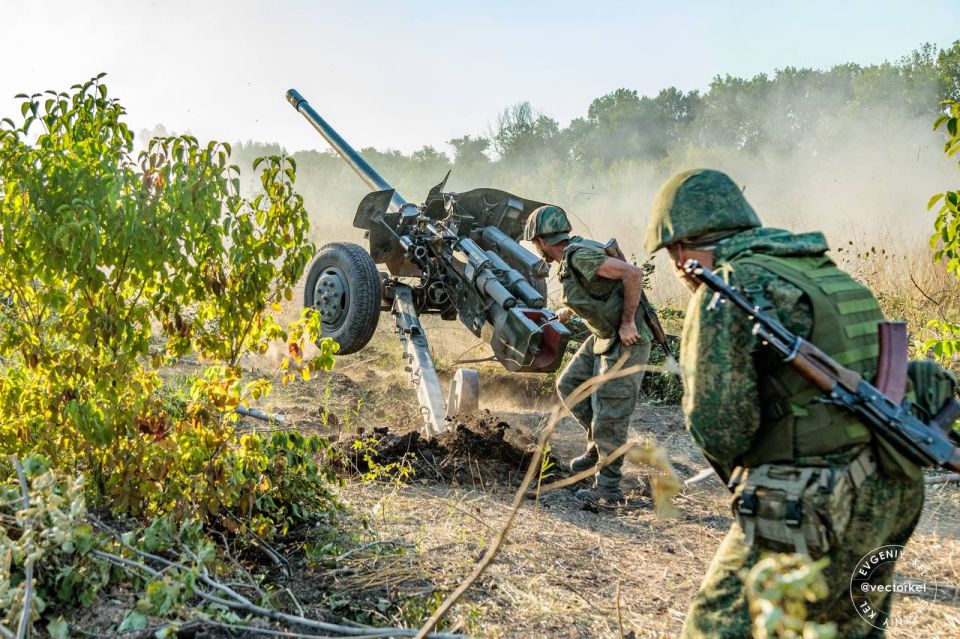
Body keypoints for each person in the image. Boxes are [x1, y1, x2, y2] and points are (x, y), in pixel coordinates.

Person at [645, 168, 925, 637]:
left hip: (819, 500)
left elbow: (720, 428)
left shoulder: (727, 287)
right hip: (894, 487)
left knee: (715, 626)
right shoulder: (824, 272)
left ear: (681, 250)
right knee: (843, 629)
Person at [523, 205, 652, 505]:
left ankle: (608, 488)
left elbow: (633, 274)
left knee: (610, 411)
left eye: (534, 243)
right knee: (570, 385)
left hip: (625, 339)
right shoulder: (572, 258)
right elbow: (599, 288)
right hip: (603, 334)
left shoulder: (580, 255)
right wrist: (569, 310)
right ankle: (597, 445)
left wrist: (628, 322)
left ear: (541, 240)